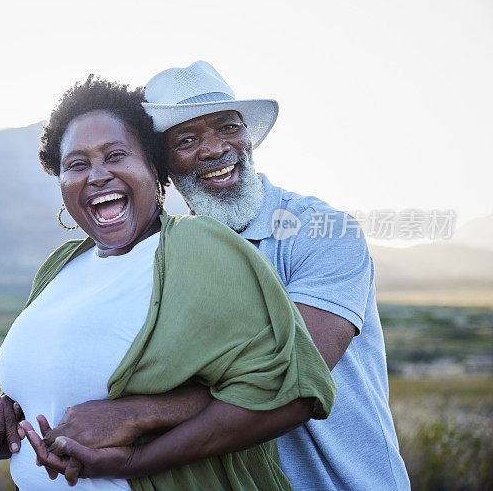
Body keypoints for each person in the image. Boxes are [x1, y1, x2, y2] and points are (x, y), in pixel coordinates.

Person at [22, 61, 411, 490]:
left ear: (247, 135)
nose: (213, 149)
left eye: (228, 127)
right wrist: (19, 410)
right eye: (187, 139)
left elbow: (291, 373)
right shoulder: (164, 258)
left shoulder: (319, 230)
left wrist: (137, 415)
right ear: (160, 165)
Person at [0, 75, 337, 490]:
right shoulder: (60, 267)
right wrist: (9, 424)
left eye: (116, 155)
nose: (97, 175)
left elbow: (291, 390)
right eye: (77, 164)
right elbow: (64, 392)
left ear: (153, 167)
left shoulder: (197, 245)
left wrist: (135, 450)